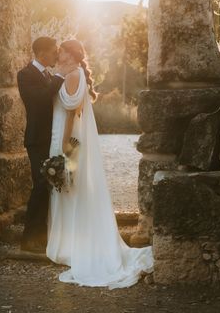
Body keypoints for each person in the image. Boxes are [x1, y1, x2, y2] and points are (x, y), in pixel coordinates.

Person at [46, 39, 154, 289]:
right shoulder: (71, 73)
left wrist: (65, 143)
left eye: (61, 50)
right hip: (63, 132)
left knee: (69, 186)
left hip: (67, 135)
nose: (58, 53)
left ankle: (71, 245)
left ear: (70, 55)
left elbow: (72, 110)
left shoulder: (73, 74)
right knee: (66, 186)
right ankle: (68, 242)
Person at [16, 37, 73, 253]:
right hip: (36, 139)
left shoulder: (47, 75)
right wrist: (59, 76)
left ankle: (42, 236)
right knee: (40, 183)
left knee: (48, 184)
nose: (57, 54)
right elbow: (39, 99)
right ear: (42, 54)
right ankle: (28, 239)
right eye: (53, 51)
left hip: (51, 138)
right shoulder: (25, 75)